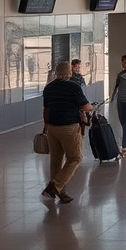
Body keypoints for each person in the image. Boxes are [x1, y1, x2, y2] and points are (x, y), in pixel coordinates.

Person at [42, 62, 92, 203]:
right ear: (69, 73)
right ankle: (55, 186)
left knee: (56, 160)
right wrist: (91, 107)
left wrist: (46, 126)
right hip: (69, 127)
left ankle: (59, 191)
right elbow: (85, 106)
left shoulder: (49, 88)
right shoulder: (73, 87)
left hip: (52, 127)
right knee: (75, 158)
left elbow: (46, 109)